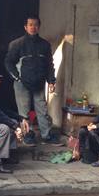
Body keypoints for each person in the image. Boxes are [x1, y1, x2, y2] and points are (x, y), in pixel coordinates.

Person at [4, 15, 61, 146]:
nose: (33, 27)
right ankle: (27, 135)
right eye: (30, 25)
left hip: (39, 83)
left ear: (39, 27)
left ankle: (46, 136)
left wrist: (51, 81)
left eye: (35, 25)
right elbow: (8, 62)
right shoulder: (17, 44)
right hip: (21, 83)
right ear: (25, 27)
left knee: (42, 109)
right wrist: (16, 77)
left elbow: (49, 64)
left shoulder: (45, 45)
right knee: (23, 112)